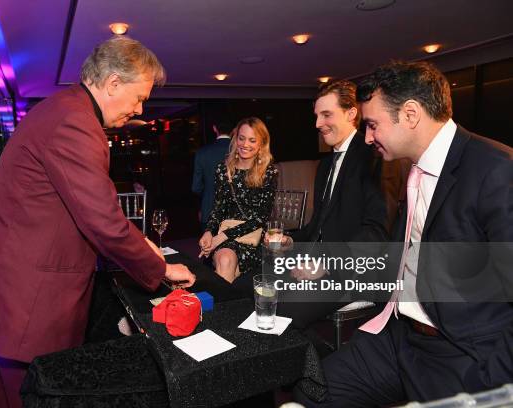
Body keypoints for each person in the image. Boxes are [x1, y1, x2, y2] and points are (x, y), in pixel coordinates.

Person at [0, 37, 195, 408]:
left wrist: (141, 244)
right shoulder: (76, 123)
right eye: (139, 96)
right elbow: (105, 223)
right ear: (112, 84)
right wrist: (160, 268)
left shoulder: (61, 108)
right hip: (24, 300)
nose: (141, 107)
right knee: (31, 398)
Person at [295, 61, 513, 407]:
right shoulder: (414, 167)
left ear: (410, 114)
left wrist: (496, 383)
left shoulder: (497, 170)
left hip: (462, 355)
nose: (367, 137)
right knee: (311, 391)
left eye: (372, 125)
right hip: (398, 337)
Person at [274, 80, 388, 326]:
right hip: (317, 261)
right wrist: (291, 240)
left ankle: (311, 364)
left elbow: (377, 232)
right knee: (259, 283)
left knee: (284, 308)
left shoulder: (375, 157)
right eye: (316, 116)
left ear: (351, 113)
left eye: (327, 115)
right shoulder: (325, 164)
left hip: (352, 271)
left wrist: (325, 263)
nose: (318, 124)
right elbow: (318, 225)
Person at [198, 117, 278, 283]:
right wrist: (209, 231)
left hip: (253, 236)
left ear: (261, 143)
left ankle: (228, 304)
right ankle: (228, 305)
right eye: (241, 138)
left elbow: (260, 218)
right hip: (226, 233)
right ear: (235, 138)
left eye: (252, 140)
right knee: (225, 260)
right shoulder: (223, 169)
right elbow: (219, 207)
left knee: (229, 271)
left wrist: (222, 237)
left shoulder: (268, 172)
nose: (245, 144)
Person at [192, 120, 233, 231]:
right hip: (235, 211)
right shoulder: (239, 151)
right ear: (234, 130)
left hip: (209, 208)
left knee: (209, 246)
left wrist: (207, 196)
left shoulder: (202, 152)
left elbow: (196, 187)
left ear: (215, 128)